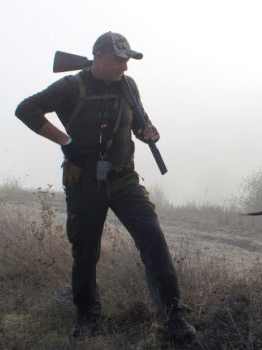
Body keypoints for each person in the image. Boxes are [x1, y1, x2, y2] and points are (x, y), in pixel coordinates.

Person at [14, 31, 196, 343]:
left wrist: (147, 131)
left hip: (124, 179)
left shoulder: (128, 85)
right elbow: (26, 109)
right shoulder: (71, 86)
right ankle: (87, 318)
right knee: (85, 252)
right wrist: (64, 140)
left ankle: (173, 316)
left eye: (128, 60)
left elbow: (139, 122)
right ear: (98, 57)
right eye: (119, 59)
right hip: (84, 180)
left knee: (153, 239)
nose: (125, 66)